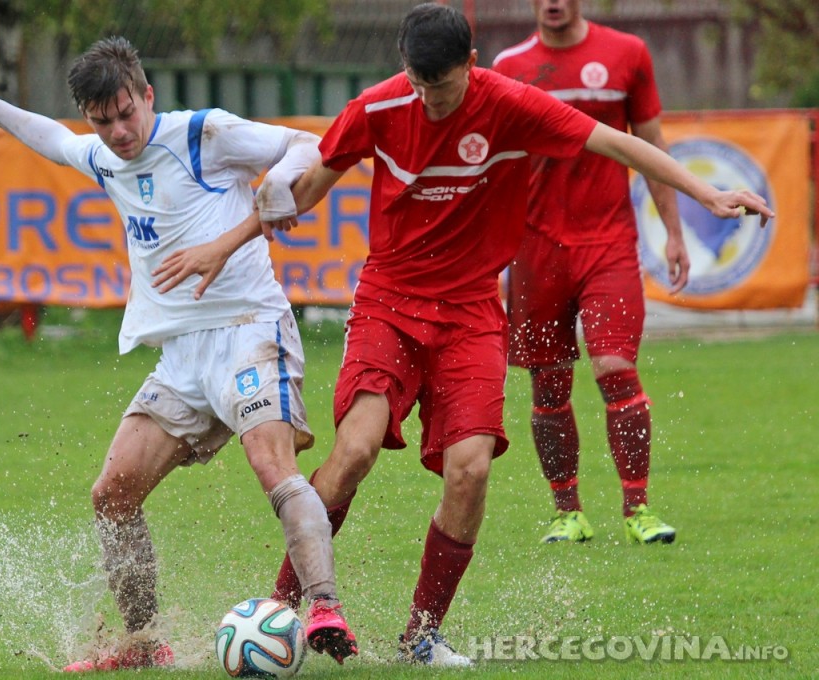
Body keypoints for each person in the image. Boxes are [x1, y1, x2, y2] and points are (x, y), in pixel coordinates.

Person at [151, 2, 772, 667]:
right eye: (418, 84)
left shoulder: (512, 104)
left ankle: (421, 635)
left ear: (470, 67)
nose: (429, 99)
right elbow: (305, 191)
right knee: (355, 450)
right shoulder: (379, 108)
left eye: (441, 87)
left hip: (473, 312)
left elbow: (618, 142)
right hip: (389, 302)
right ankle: (284, 605)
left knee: (470, 469)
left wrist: (706, 196)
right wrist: (228, 242)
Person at [0, 36, 358, 672]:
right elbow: (49, 137)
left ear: (147, 95)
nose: (119, 131)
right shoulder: (104, 157)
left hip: (248, 329)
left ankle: (323, 606)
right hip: (181, 359)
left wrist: (266, 206)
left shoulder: (202, 134)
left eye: (127, 113)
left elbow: (306, 147)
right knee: (112, 493)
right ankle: (143, 642)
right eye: (102, 122)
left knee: (270, 464)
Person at [492, 0, 689, 545]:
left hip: (608, 242)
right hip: (535, 249)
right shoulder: (509, 67)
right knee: (548, 383)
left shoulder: (627, 54)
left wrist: (673, 231)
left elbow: (651, 146)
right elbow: (494, 166)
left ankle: (639, 509)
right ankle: (567, 512)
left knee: (614, 367)